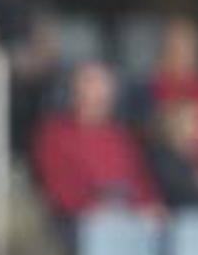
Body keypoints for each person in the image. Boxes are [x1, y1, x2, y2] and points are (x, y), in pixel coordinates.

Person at [34, 60, 160, 225]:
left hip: (130, 220)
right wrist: (100, 210)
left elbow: (143, 186)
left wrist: (149, 209)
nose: (101, 90)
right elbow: (61, 192)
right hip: (80, 223)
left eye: (106, 84)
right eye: (91, 82)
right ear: (74, 90)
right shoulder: (54, 135)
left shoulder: (123, 138)